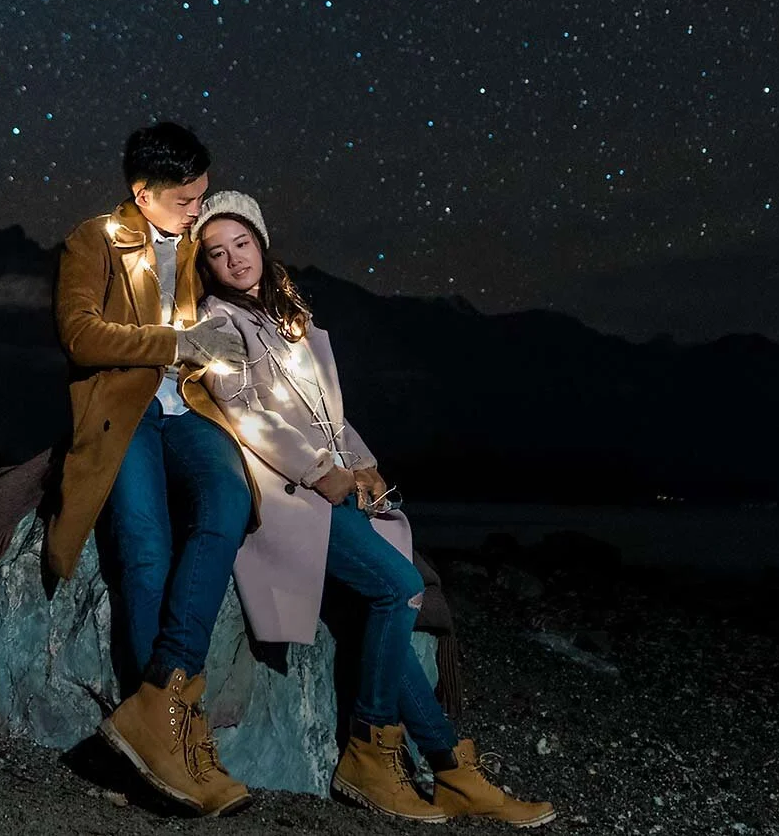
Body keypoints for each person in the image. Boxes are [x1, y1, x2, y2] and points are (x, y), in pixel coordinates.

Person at [191, 191, 556, 826]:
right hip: (291, 495)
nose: (233, 260)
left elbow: (331, 415)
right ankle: (368, 751)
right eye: (217, 253)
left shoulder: (289, 321)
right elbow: (245, 412)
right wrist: (319, 471)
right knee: (400, 587)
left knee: (387, 602)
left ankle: (451, 770)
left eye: (241, 244)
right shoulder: (217, 324)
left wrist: (364, 462)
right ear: (208, 266)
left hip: (333, 486)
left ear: (261, 242)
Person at [48, 123, 254, 816]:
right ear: (144, 193)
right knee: (145, 547)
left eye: (202, 195)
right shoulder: (94, 239)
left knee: (229, 495)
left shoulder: (199, 246)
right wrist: (175, 339)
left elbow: (250, 285)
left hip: (189, 408)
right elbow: (78, 334)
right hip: (126, 409)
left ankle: (164, 705)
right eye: (189, 198)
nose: (200, 208)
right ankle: (163, 736)